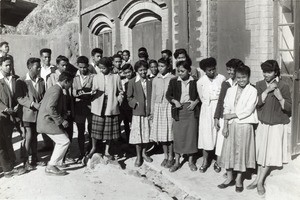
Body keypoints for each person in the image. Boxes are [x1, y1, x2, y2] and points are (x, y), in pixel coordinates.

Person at [247, 60, 292, 196]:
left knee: (269, 154)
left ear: (276, 72)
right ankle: (257, 179)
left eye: (269, 72)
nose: (266, 74)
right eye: (264, 71)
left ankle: (259, 181)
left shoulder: (283, 86)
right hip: (263, 124)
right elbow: (256, 104)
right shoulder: (260, 85)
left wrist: (280, 98)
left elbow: (289, 107)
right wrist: (267, 91)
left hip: (276, 125)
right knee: (261, 153)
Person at [218, 65, 258, 193]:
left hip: (244, 125)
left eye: (244, 77)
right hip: (231, 124)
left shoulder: (252, 90)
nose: (241, 80)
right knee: (228, 151)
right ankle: (229, 178)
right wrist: (225, 125)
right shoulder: (231, 90)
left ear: (248, 77)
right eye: (239, 77)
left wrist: (233, 115)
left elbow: (248, 109)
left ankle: (239, 179)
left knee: (241, 153)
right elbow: (226, 108)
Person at [83, 57, 123, 164]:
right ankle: (94, 148)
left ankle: (107, 151)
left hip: (110, 105)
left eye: (104, 68)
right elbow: (91, 90)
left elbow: (120, 91)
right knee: (96, 130)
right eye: (100, 68)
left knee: (108, 131)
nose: (101, 70)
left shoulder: (116, 77)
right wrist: (92, 93)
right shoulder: (95, 77)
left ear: (109, 67)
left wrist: (119, 99)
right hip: (98, 105)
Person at [37, 71, 74, 176]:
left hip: (46, 121)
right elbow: (50, 107)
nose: (71, 85)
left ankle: (56, 163)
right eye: (70, 83)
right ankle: (51, 166)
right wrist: (62, 120)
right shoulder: (56, 90)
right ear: (66, 81)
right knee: (65, 141)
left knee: (64, 138)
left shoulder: (55, 88)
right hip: (47, 122)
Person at [166, 60, 200, 172]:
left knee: (191, 136)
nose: (180, 73)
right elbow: (168, 95)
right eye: (178, 71)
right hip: (178, 111)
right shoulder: (174, 81)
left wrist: (195, 102)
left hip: (191, 112)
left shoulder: (195, 81)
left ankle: (191, 161)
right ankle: (176, 162)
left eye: (182, 71)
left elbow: (201, 95)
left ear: (189, 71)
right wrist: (174, 101)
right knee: (178, 137)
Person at [15, 58, 46, 171]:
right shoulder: (21, 81)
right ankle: (25, 161)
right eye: (36, 67)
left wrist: (42, 104)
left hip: (38, 114)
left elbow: (43, 95)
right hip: (26, 114)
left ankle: (34, 158)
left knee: (35, 136)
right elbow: (20, 98)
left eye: (39, 67)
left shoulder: (41, 80)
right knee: (28, 136)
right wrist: (33, 104)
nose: (39, 68)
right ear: (29, 67)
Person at [214, 59, 244, 173]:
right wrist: (216, 117)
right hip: (224, 116)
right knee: (222, 140)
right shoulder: (226, 83)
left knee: (233, 142)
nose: (230, 72)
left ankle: (230, 167)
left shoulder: (242, 83)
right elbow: (220, 101)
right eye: (228, 69)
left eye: (232, 69)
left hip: (236, 117)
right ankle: (218, 161)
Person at [197, 57, 226, 173]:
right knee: (206, 134)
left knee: (219, 135)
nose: (212, 72)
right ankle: (205, 161)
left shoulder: (221, 78)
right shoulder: (200, 82)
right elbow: (201, 97)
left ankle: (218, 161)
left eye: (213, 69)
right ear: (205, 71)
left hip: (219, 108)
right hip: (207, 109)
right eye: (209, 70)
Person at [0, 56, 26, 178]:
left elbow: (18, 95)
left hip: (15, 113)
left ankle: (13, 160)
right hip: (3, 115)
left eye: (11, 65)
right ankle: (8, 167)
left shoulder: (15, 79)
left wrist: (16, 106)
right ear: (0, 66)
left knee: (12, 137)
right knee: (4, 141)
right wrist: (5, 109)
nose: (9, 67)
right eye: (6, 65)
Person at [47, 56, 75, 164]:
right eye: (62, 65)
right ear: (57, 65)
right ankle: (58, 160)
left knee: (69, 132)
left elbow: (72, 92)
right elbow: (50, 94)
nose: (65, 67)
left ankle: (66, 155)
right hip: (58, 108)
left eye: (66, 65)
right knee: (60, 135)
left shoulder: (69, 76)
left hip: (68, 106)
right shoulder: (52, 77)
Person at [150, 58, 175, 168]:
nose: (160, 68)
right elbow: (153, 96)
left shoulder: (173, 78)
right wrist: (152, 111)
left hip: (168, 107)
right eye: (159, 66)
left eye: (162, 66)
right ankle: (165, 156)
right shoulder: (156, 79)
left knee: (170, 133)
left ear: (168, 67)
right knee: (162, 134)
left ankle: (171, 157)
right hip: (158, 107)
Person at [127, 60, 153, 167]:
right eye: (140, 70)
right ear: (137, 71)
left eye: (144, 70)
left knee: (147, 134)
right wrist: (135, 103)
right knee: (138, 135)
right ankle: (138, 156)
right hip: (138, 111)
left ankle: (144, 152)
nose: (143, 72)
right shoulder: (132, 82)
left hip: (148, 110)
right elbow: (129, 97)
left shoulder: (150, 81)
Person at [72, 56, 94, 162]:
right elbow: (72, 91)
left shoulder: (93, 76)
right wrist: (77, 93)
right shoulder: (74, 78)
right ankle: (81, 152)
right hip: (79, 107)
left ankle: (90, 151)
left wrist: (89, 92)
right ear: (78, 66)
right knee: (80, 131)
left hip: (90, 106)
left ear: (88, 66)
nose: (83, 70)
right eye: (80, 67)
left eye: (85, 67)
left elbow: (95, 90)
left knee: (90, 130)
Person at [38, 48, 56, 152]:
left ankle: (54, 145)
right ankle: (47, 144)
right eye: (45, 57)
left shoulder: (53, 69)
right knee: (43, 120)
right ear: (41, 57)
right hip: (41, 97)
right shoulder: (38, 69)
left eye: (49, 57)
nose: (47, 59)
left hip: (51, 97)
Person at [119, 63, 135, 142]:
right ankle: (128, 140)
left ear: (132, 71)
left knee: (134, 124)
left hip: (133, 105)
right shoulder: (123, 81)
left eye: (129, 72)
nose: (128, 74)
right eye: (125, 73)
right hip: (125, 105)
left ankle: (134, 141)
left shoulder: (136, 80)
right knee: (126, 124)